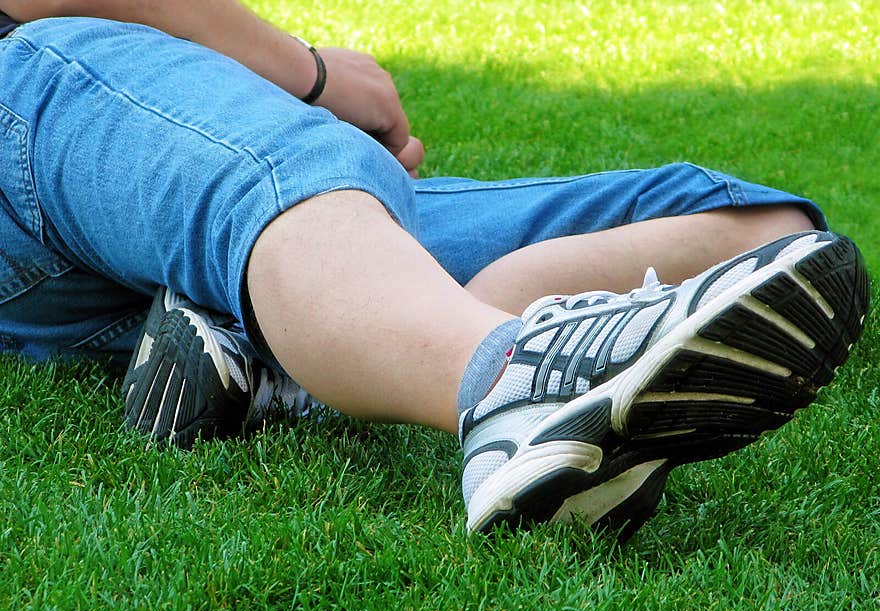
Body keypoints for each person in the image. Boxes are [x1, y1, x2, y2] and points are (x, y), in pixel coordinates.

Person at [0, 1, 869, 541]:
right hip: (31, 121)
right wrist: (312, 77)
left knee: (761, 226)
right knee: (294, 171)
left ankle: (292, 351)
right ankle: (506, 385)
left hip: (190, 186)